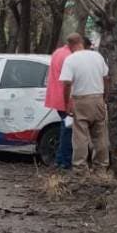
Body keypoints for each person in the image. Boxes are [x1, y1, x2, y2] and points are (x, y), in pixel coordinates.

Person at [59, 36, 110, 169]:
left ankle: (80, 167)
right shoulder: (97, 56)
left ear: (70, 45)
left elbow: (66, 83)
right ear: (82, 43)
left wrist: (67, 104)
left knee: (80, 136)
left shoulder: (70, 59)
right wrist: (104, 96)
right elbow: (106, 77)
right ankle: (101, 166)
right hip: (98, 98)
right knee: (100, 135)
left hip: (81, 100)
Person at [45, 34, 79, 169]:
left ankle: (60, 159)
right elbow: (68, 82)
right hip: (65, 98)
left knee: (65, 128)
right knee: (68, 130)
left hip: (55, 96)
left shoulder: (57, 52)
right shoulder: (69, 57)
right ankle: (64, 161)